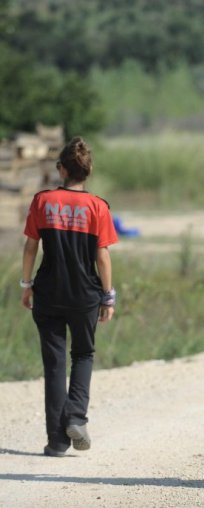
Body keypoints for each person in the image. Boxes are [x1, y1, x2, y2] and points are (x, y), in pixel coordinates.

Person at [21, 137, 118, 457]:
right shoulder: (98, 206)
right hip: (85, 295)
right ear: (86, 172)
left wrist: (26, 284)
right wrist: (108, 296)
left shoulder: (42, 201)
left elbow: (31, 246)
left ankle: (57, 441)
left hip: (48, 292)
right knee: (84, 355)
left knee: (54, 363)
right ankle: (76, 416)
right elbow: (102, 256)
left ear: (61, 169)